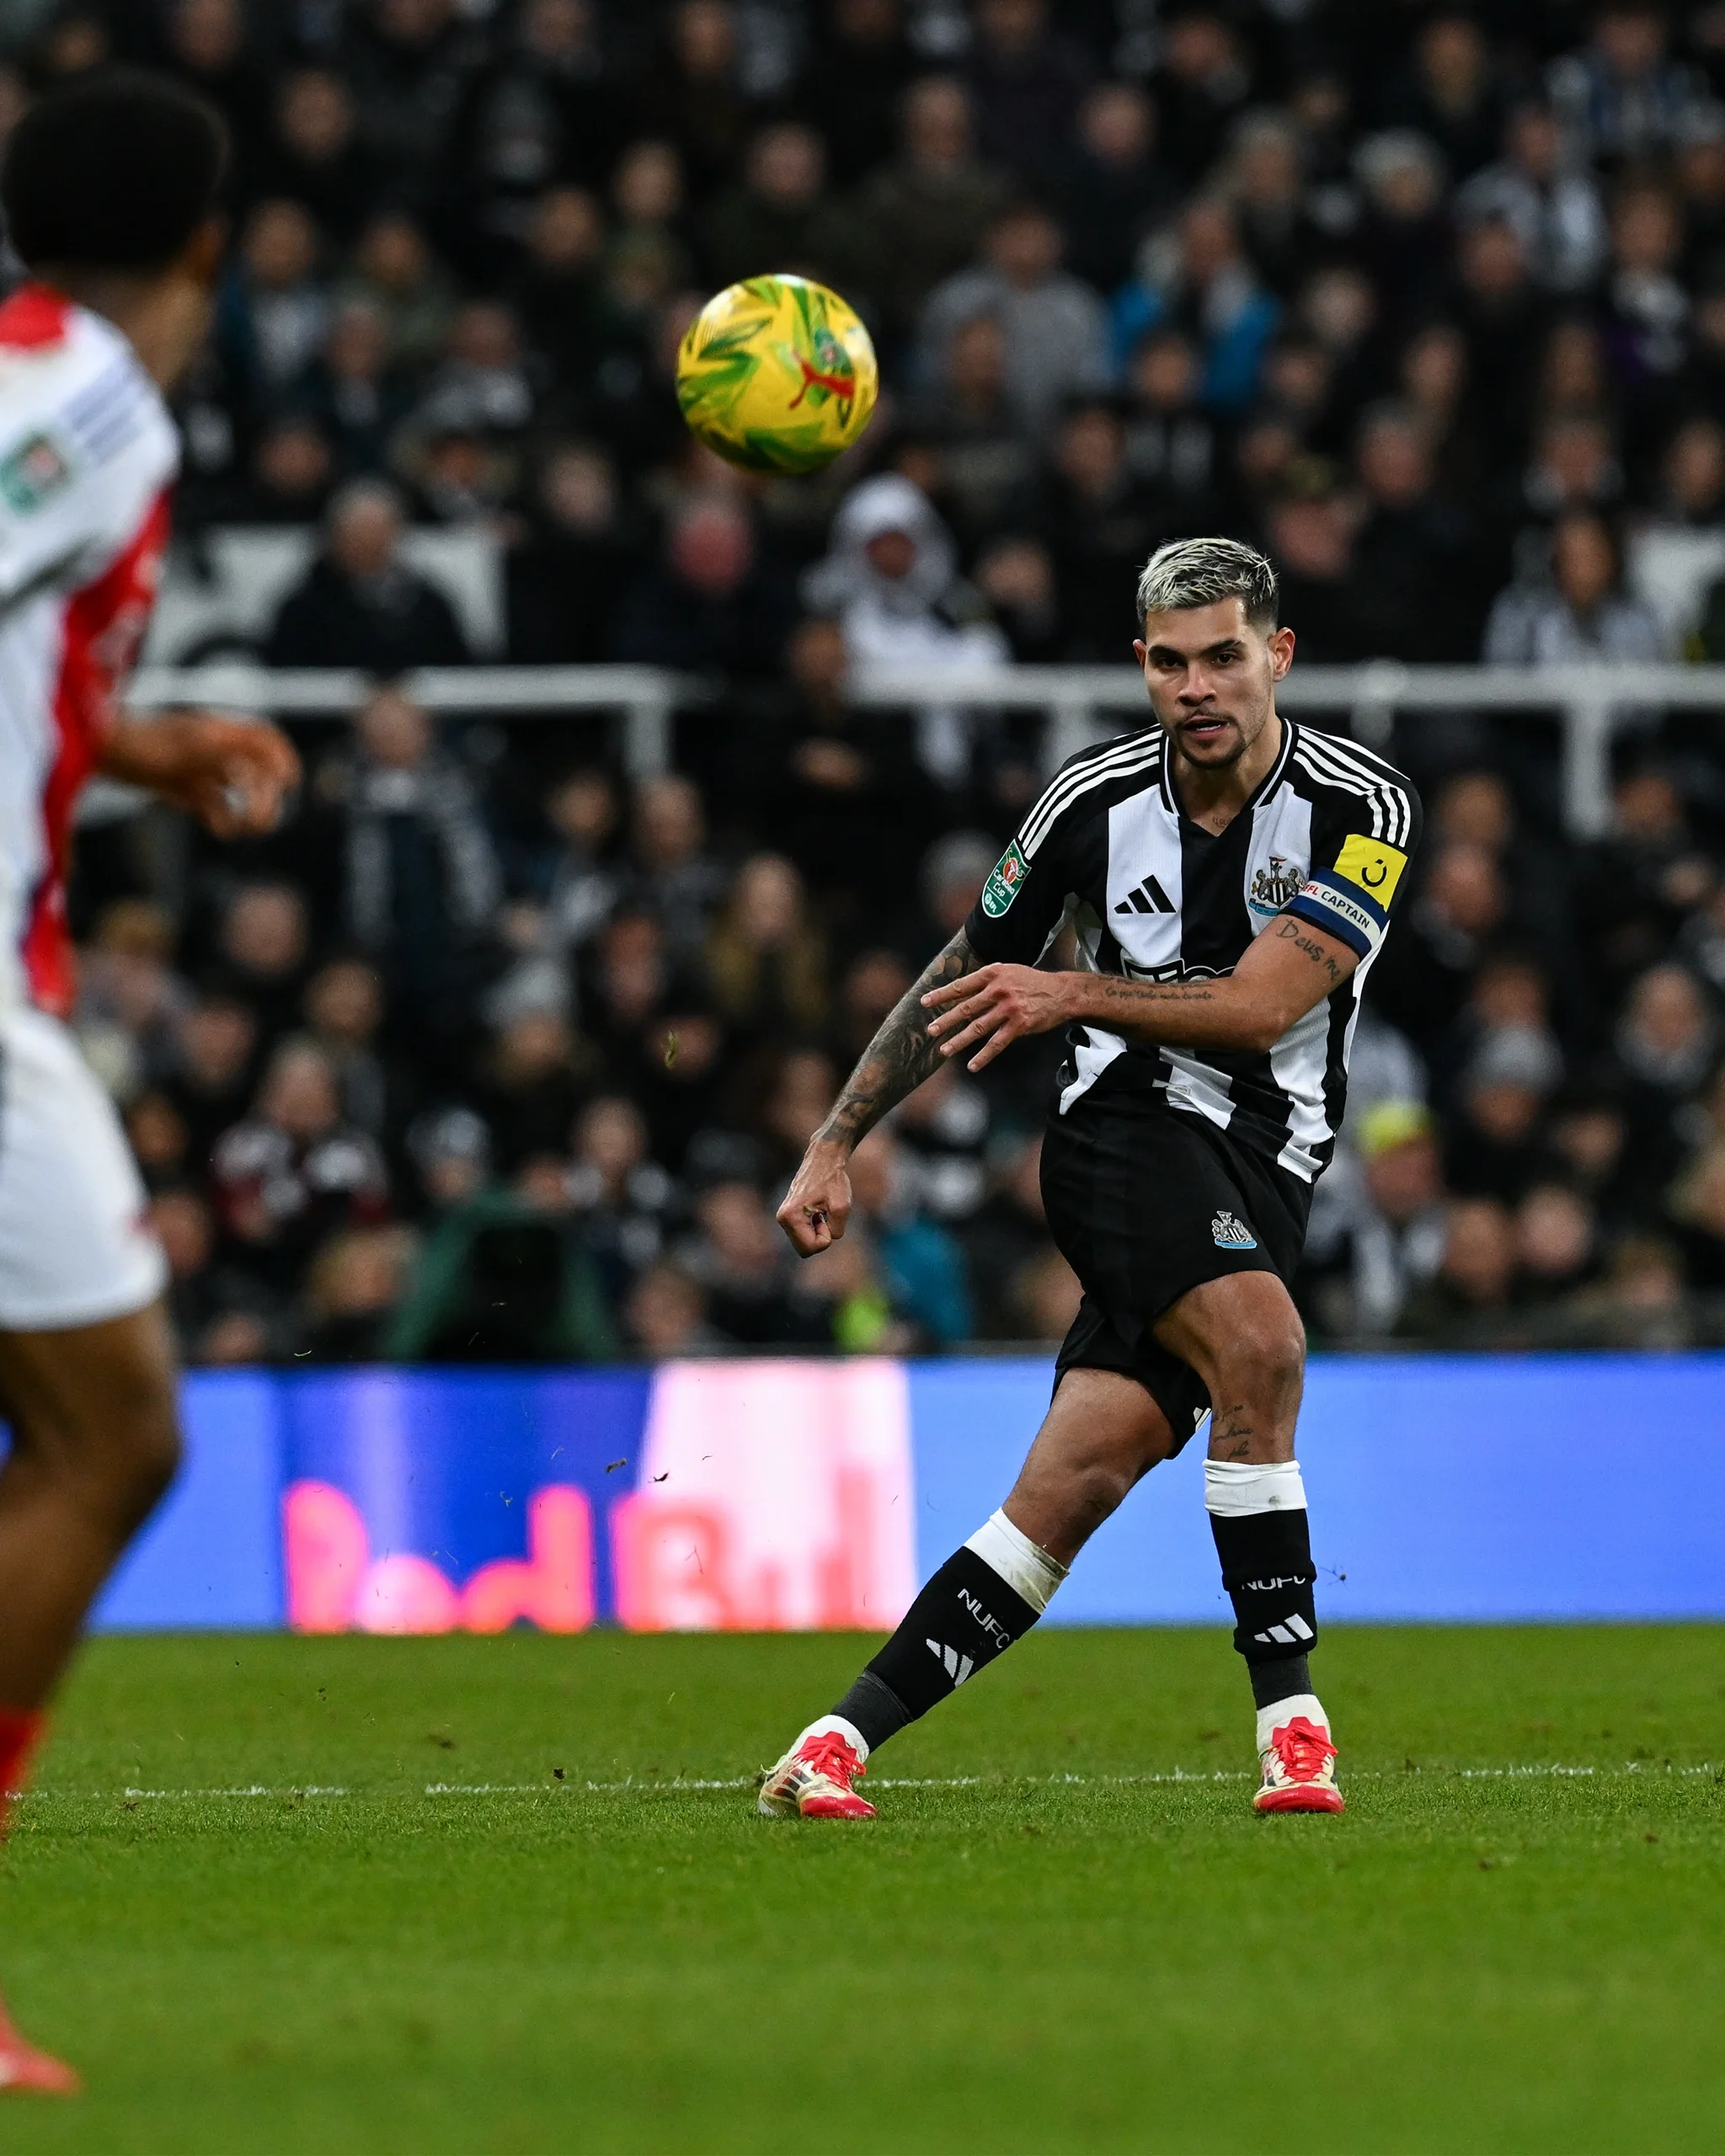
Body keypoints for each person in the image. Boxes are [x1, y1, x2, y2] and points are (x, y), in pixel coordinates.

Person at [761, 536, 1422, 1824]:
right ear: (1141, 668)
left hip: (1267, 1162)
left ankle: (835, 1742)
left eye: (1224, 657)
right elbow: (968, 965)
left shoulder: (1365, 809)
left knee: (1076, 1482)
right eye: (1169, 664)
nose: (1197, 688)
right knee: (1265, 1351)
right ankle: (1295, 1728)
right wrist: (837, 1136)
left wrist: (1069, 986)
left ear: (1275, 656)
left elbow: (1258, 1006)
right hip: (1122, 1136)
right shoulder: (1085, 806)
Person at [0, 72, 300, 2093]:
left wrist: (136, 739)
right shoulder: (98, 393)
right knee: (114, 1435)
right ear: (206, 247)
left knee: (110, 1430)